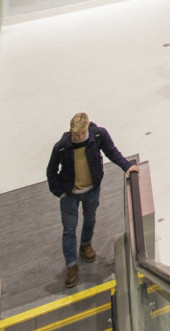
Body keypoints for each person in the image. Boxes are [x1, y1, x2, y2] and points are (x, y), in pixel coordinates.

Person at [46, 112, 137, 288]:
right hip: (70, 194)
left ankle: (85, 244)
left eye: (81, 133)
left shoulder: (99, 135)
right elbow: (51, 171)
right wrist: (60, 192)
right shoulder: (62, 146)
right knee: (69, 229)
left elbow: (112, 152)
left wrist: (127, 166)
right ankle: (71, 265)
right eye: (75, 134)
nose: (78, 137)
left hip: (92, 191)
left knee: (90, 218)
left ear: (87, 127)